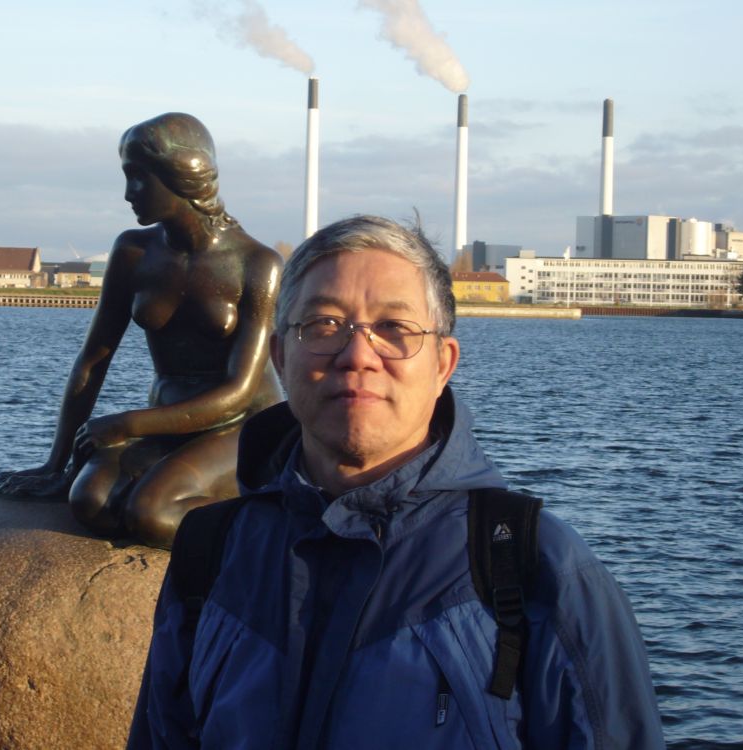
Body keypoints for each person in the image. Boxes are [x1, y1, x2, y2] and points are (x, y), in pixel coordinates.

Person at [128, 215, 665, 748]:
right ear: (280, 357)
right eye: (324, 325)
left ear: (442, 365)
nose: (357, 356)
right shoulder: (211, 552)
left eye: (395, 329)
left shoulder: (537, 567)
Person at [0, 113, 283, 549]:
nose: (129, 193)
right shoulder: (133, 252)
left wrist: (127, 424)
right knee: (91, 501)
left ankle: (273, 523)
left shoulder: (256, 263)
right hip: (168, 421)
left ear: (181, 175)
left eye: (139, 177)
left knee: (153, 513)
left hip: (242, 427)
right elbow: (93, 359)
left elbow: (238, 392)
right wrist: (55, 464)